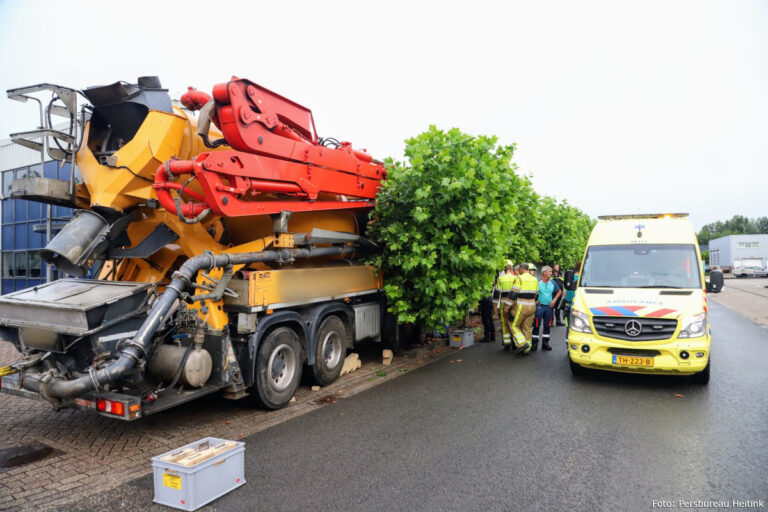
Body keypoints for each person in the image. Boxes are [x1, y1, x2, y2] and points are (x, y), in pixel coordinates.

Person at [510, 262, 539, 354]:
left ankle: (522, 344)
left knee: (513, 325)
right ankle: (527, 349)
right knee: (527, 327)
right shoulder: (535, 279)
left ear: (522, 269)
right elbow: (537, 294)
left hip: (521, 307)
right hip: (532, 306)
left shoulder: (519, 278)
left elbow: (513, 294)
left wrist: (507, 306)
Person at [532, 265, 562, 351]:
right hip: (539, 307)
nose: (551, 273)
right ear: (544, 272)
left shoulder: (552, 282)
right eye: (550, 272)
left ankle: (545, 343)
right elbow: (531, 291)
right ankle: (534, 343)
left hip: (549, 307)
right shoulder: (537, 282)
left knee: (547, 325)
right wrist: (535, 300)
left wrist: (555, 300)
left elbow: (559, 291)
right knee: (536, 325)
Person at [497, 261, 517, 349]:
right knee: (513, 322)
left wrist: (494, 306)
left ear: (505, 270)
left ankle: (506, 344)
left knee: (504, 323)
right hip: (513, 303)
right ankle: (514, 343)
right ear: (511, 270)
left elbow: (497, 293)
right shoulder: (515, 278)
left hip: (503, 302)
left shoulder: (500, 279)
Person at [478, 275, 496, 343]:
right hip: (489, 300)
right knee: (490, 319)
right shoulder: (490, 280)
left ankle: (487, 337)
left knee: (486, 320)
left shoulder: (483, 282)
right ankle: (492, 336)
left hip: (485, 301)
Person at [564, 261, 580, 329]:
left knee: (568, 325)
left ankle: (567, 339)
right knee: (576, 326)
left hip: (567, 303)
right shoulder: (582, 279)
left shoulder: (569, 277)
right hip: (576, 306)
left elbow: (564, 292)